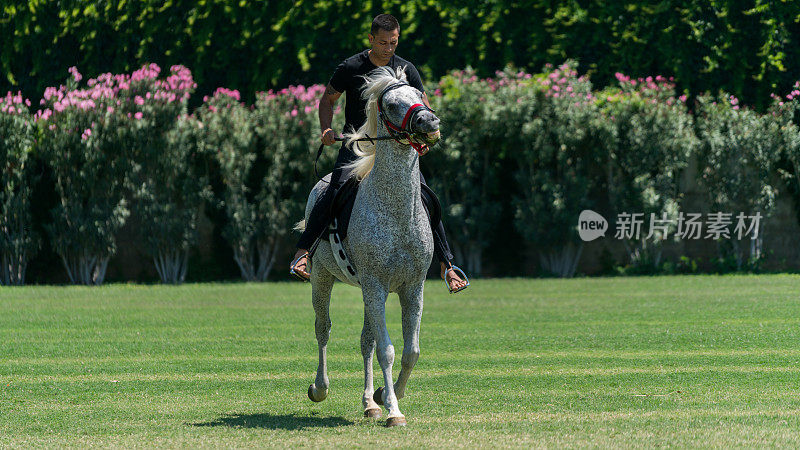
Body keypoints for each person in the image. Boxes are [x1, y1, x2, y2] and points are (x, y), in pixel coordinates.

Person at [290, 13, 468, 293]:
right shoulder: (350, 67)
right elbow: (328, 99)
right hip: (357, 147)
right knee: (333, 190)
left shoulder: (407, 70)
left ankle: (448, 265)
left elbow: (423, 104)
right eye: (383, 42)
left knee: (425, 195)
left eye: (394, 42)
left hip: (396, 150)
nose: (388, 48)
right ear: (371, 39)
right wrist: (326, 128)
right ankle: (304, 254)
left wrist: (428, 131)